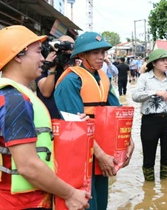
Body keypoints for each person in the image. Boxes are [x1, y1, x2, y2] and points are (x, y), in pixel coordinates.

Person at [0, 25, 89, 210]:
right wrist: (70, 194)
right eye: (38, 52)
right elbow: (28, 166)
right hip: (25, 205)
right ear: (18, 55)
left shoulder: (8, 94)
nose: (42, 59)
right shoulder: (13, 100)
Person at [54, 31, 135, 210]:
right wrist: (101, 155)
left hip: (101, 150)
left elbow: (117, 112)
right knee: (85, 201)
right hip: (79, 153)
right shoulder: (71, 81)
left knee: (100, 202)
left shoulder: (103, 78)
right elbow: (76, 126)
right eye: (95, 53)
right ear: (81, 55)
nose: (101, 57)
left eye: (103, 52)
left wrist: (128, 141)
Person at [132, 49, 167, 181]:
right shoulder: (144, 78)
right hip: (150, 121)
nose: (166, 63)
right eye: (162, 60)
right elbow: (135, 96)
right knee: (148, 156)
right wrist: (155, 92)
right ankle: (148, 189)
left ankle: (166, 189)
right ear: (154, 63)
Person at [36, 35, 75, 119]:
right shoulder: (43, 68)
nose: (67, 55)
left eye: (70, 52)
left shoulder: (76, 69)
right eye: (64, 51)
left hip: (69, 119)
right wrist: (52, 67)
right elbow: (46, 93)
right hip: (49, 119)